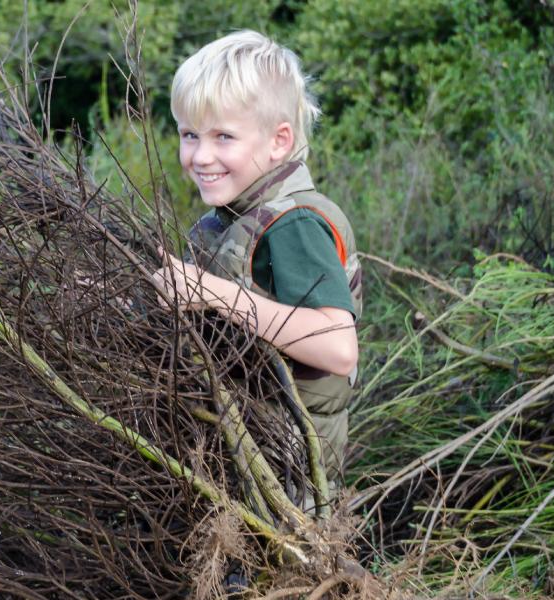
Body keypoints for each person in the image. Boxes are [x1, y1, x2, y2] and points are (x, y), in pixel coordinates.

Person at [150, 30, 363, 492]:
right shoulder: (233, 217)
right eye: (190, 135)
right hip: (247, 456)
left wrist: (214, 293)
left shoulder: (294, 224)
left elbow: (338, 347)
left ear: (278, 142)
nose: (200, 156)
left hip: (288, 480)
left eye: (223, 137)